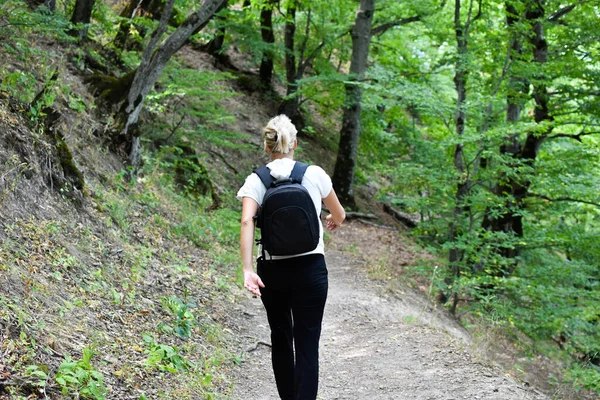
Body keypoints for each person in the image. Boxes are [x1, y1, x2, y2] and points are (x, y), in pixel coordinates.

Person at [237, 114, 346, 400]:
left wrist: (248, 269)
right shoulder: (314, 174)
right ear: (295, 143)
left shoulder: (256, 180)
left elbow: (247, 221)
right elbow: (340, 214)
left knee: (281, 338)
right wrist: (333, 221)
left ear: (266, 146)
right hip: (311, 270)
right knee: (308, 343)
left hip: (273, 272)